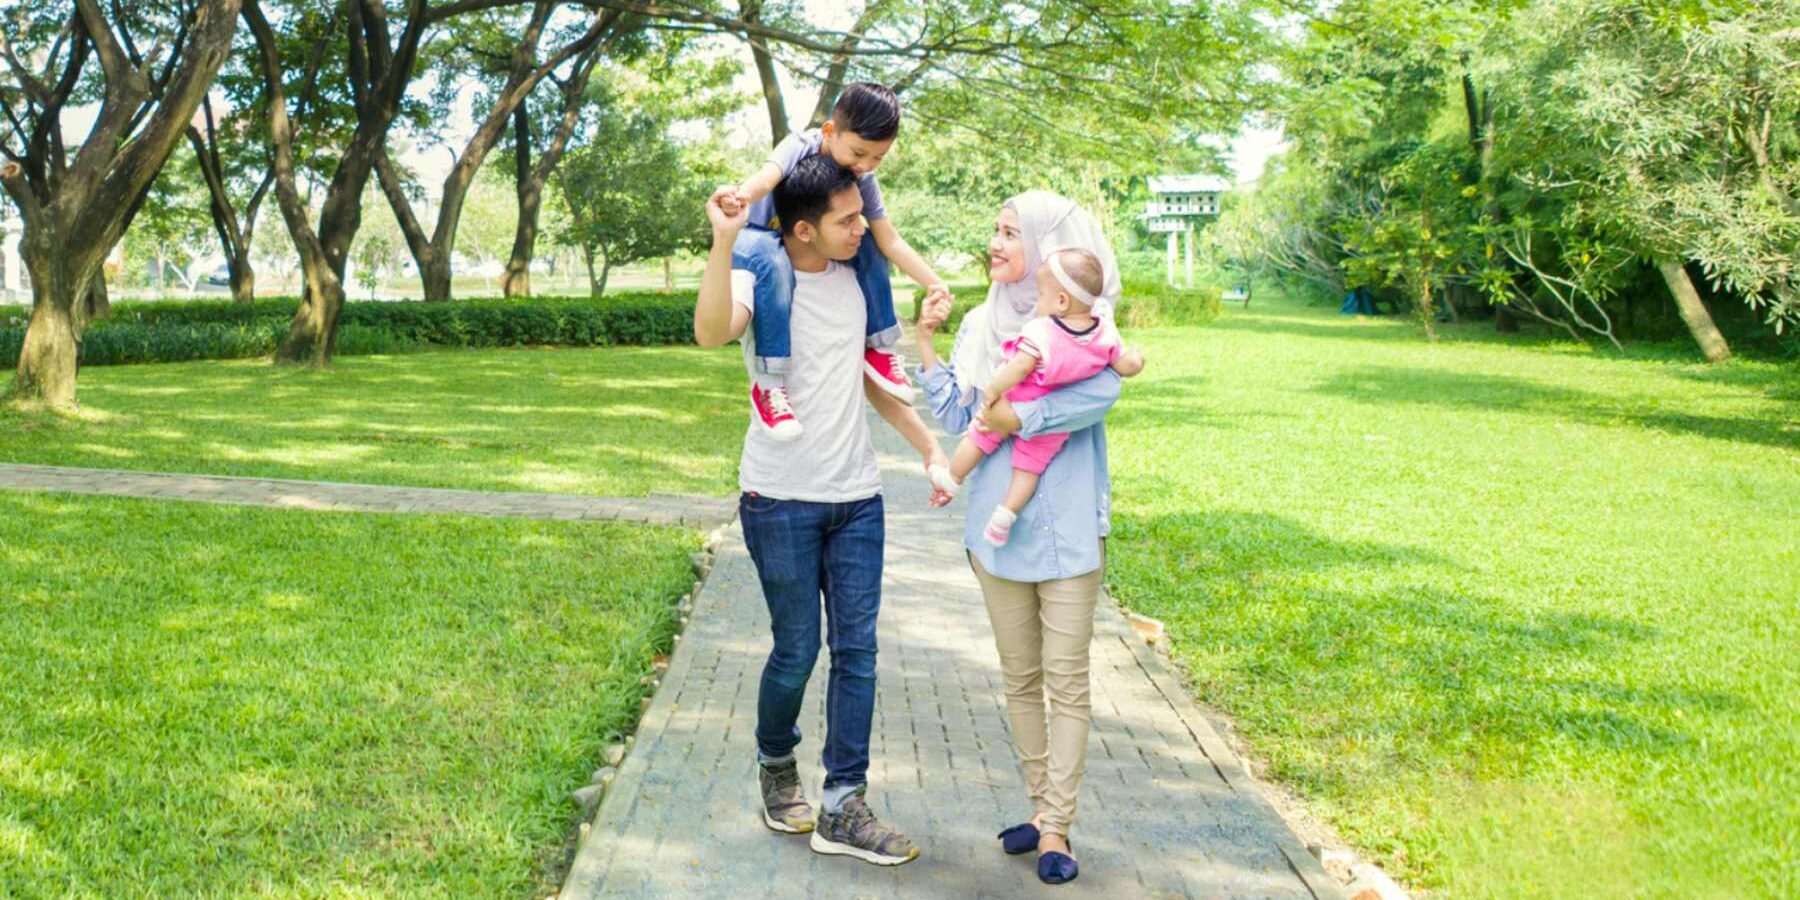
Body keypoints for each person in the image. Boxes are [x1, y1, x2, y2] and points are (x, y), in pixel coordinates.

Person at [694, 154, 952, 867]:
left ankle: (843, 802)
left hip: (858, 500)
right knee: (797, 650)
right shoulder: (766, 278)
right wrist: (722, 241)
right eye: (846, 221)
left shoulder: (855, 287)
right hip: (778, 498)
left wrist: (930, 449)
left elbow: (873, 382)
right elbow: (712, 331)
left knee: (858, 652)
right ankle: (777, 763)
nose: (861, 231)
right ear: (802, 229)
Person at [913, 191, 1124, 886]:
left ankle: (1058, 825)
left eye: (1010, 233)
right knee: (1020, 678)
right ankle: (1040, 808)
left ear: (1050, 256)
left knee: (1067, 682)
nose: (995, 244)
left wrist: (1011, 419)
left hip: (1065, 533)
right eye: (995, 231)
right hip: (996, 536)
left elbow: (1098, 399)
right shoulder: (983, 324)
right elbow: (956, 415)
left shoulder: (1089, 331)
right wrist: (925, 341)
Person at [712, 82, 953, 441]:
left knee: (868, 242)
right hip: (758, 241)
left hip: (805, 246)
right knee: (772, 261)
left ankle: (881, 349)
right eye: (859, 153)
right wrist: (740, 196)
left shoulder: (861, 178)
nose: (865, 166)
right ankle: (769, 383)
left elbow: (890, 239)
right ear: (829, 131)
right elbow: (768, 176)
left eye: (877, 158)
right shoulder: (800, 146)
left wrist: (934, 282)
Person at [928, 247, 1144, 545]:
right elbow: (1123, 365)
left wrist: (993, 389)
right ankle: (1005, 515)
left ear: (1061, 301)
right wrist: (1137, 361)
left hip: (1017, 399)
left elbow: (1020, 366)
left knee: (979, 438)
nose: (1038, 301)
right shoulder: (1103, 332)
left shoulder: (1043, 331)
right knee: (1028, 468)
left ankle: (951, 479)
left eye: (1041, 294)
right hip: (1053, 426)